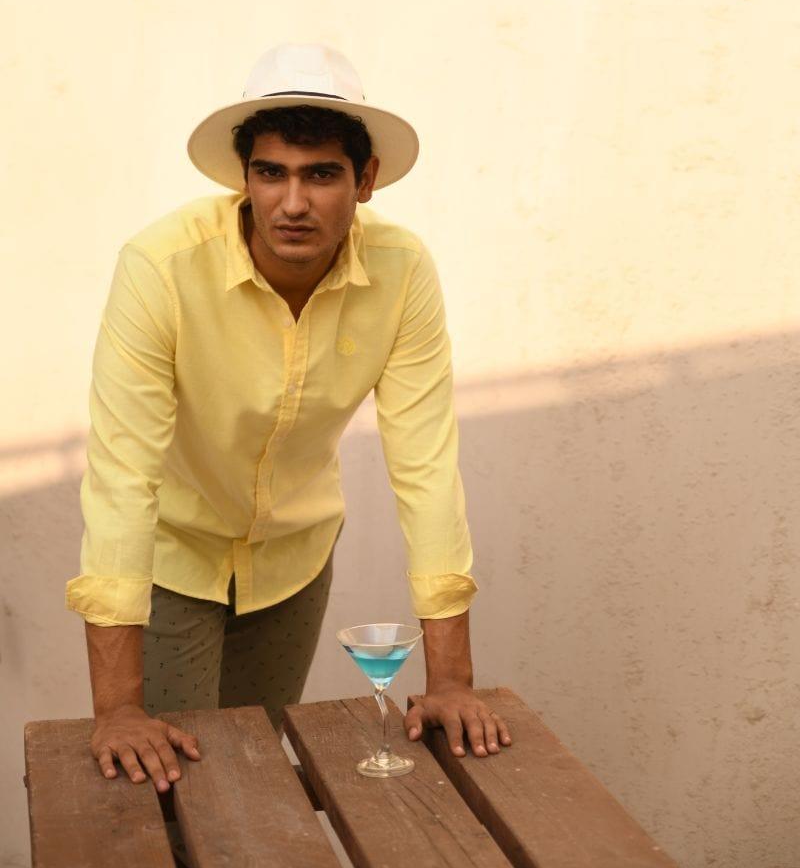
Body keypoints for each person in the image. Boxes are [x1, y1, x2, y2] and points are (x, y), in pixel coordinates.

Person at [66, 43, 512, 792]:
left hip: (295, 564)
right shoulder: (160, 266)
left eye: (321, 175)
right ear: (245, 177)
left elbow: (426, 467)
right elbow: (121, 477)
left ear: (365, 180)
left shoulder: (403, 271)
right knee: (168, 791)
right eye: (270, 173)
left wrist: (452, 680)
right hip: (174, 556)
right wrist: (115, 708)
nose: (292, 203)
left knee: (250, 776)